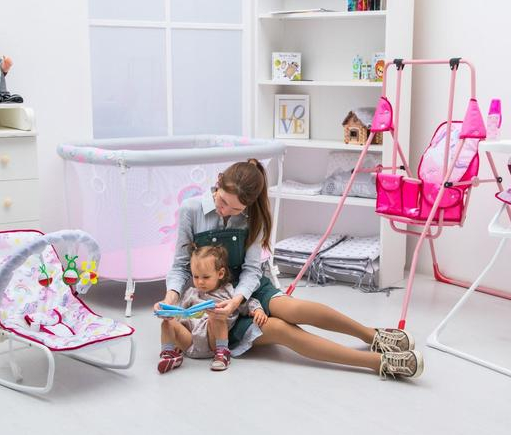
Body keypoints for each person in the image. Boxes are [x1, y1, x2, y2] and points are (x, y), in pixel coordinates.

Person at [155, 159, 423, 380]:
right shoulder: (191, 209)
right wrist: (170, 298)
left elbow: (251, 270)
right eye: (223, 202)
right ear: (219, 181)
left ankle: (372, 335)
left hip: (247, 289)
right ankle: (376, 362)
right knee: (281, 330)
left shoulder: (253, 217)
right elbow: (180, 265)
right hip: (217, 300)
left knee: (294, 309)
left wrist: (237, 300)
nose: (225, 211)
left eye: (235, 209)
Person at [157, 242, 266, 374]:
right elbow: (181, 315)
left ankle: (222, 353)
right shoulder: (191, 293)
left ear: (220, 274)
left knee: (216, 315)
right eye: (196, 276)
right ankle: (169, 354)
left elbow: (247, 302)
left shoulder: (229, 292)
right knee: (168, 322)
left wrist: (257, 310)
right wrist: (175, 335)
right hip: (189, 342)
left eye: (206, 277)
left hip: (212, 342)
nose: (200, 282)